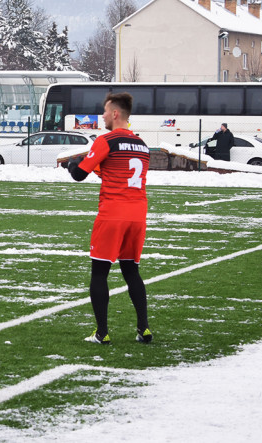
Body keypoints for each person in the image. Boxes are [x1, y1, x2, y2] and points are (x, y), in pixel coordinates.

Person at [66, 92, 153, 345]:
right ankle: (144, 328)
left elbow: (79, 174)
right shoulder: (142, 144)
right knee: (131, 271)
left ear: (115, 113)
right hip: (137, 215)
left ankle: (102, 333)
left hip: (113, 214)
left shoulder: (107, 140)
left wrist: (73, 165)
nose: (102, 116)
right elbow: (120, 173)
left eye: (104, 111)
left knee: (99, 273)